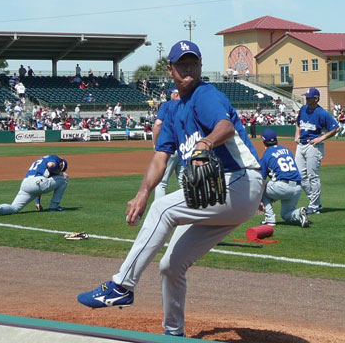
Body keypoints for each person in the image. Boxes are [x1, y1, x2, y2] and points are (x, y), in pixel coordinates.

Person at [76, 40, 264, 338]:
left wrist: (205, 142)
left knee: (163, 209)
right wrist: (142, 192)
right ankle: (173, 332)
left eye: (193, 63)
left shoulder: (205, 95)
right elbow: (160, 157)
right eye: (182, 64)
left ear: (200, 67)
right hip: (226, 195)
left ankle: (121, 285)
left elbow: (224, 127)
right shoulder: (175, 111)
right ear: (171, 69)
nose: (188, 69)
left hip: (240, 180)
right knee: (171, 265)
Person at [294, 88, 338, 214]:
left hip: (313, 146)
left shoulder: (322, 113)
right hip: (301, 145)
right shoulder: (303, 109)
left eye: (309, 97)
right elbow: (298, 123)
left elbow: (335, 128)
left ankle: (314, 205)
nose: (306, 99)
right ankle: (315, 202)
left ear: (316, 99)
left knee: (312, 176)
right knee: (300, 177)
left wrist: (321, 138)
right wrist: (297, 135)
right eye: (306, 97)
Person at [0, 155, 69, 217]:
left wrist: (38, 203)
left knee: (15, 208)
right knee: (65, 178)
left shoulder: (41, 160)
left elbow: (38, 188)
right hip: (37, 181)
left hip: (26, 184)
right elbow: (50, 165)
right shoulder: (56, 158)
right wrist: (59, 172)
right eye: (60, 167)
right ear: (61, 162)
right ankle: (54, 207)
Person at [259, 129, 309, 228]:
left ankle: (270, 220)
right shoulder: (287, 151)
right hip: (297, 187)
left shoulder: (266, 155)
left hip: (282, 186)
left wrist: (261, 199)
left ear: (263, 141)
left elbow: (261, 180)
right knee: (286, 215)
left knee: (262, 188)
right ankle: (300, 213)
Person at [153, 88, 183, 200]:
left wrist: (155, 143)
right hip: (184, 146)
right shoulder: (188, 104)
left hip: (168, 147)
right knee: (183, 181)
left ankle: (158, 209)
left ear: (175, 94)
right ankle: (187, 208)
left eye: (171, 93)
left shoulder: (167, 105)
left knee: (161, 182)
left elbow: (158, 124)